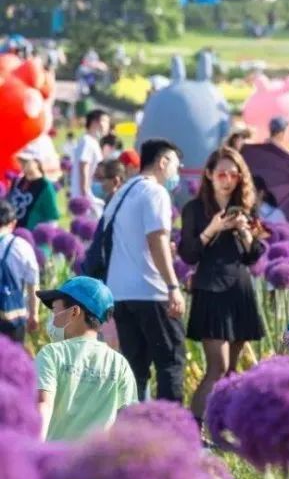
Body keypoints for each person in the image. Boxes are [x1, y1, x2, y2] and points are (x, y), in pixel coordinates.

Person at [180, 148, 266, 420]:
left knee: (232, 371)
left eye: (233, 174)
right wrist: (212, 229)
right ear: (209, 175)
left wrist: (244, 230)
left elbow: (253, 256)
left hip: (239, 290)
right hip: (210, 290)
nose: (227, 179)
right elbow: (188, 254)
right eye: (221, 174)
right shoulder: (194, 209)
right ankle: (193, 429)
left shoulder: (246, 207)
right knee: (217, 366)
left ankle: (223, 426)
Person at [105, 139, 187, 401]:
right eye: (176, 164)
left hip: (120, 292)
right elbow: (156, 240)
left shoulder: (123, 192)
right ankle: (169, 428)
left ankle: (135, 427)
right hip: (151, 292)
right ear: (163, 162)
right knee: (171, 361)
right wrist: (173, 286)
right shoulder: (156, 192)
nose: (177, 171)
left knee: (135, 368)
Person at [35, 276, 137, 441]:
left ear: (74, 312)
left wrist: (34, 452)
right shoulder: (119, 364)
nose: (53, 318)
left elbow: (43, 404)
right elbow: (128, 419)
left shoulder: (52, 354)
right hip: (97, 463)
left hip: (55, 460)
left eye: (55, 310)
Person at [0, 200, 39, 342]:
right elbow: (32, 283)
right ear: (13, 222)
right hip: (13, 317)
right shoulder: (21, 246)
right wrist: (34, 314)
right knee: (11, 361)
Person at [9, 145, 59, 230]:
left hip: (33, 236)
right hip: (13, 234)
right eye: (21, 160)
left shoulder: (45, 186)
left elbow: (52, 217)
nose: (22, 163)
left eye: (26, 161)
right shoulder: (18, 181)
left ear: (36, 162)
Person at [70, 109, 109, 205]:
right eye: (105, 121)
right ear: (95, 122)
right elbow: (84, 166)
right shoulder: (87, 141)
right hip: (87, 196)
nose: (107, 125)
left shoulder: (92, 141)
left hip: (90, 194)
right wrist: (85, 194)